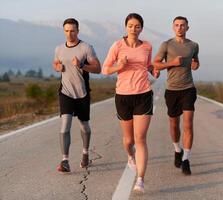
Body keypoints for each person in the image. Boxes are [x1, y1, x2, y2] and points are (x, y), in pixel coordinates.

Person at [102, 13, 159, 193]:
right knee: (129, 140)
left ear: (141, 28)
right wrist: (119, 66)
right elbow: (105, 70)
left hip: (143, 94)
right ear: (125, 27)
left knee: (140, 139)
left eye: (137, 26)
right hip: (123, 96)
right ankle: (129, 155)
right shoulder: (117, 46)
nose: (134, 29)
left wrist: (153, 70)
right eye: (130, 25)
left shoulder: (147, 46)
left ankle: (140, 179)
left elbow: (148, 64)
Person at [52, 18, 101, 173]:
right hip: (65, 92)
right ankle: (65, 160)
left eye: (72, 30)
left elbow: (98, 68)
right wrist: (57, 67)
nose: (69, 33)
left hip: (82, 94)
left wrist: (82, 65)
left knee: (84, 126)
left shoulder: (86, 48)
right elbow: (56, 63)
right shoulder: (59, 48)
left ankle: (85, 153)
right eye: (66, 30)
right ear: (63, 31)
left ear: (78, 31)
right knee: (65, 126)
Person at [153, 16, 200, 175]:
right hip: (172, 90)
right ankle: (177, 149)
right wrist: (171, 63)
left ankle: (186, 159)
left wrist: (196, 65)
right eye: (177, 25)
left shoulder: (194, 45)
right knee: (174, 124)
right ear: (173, 27)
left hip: (188, 88)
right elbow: (156, 64)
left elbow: (196, 62)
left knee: (188, 124)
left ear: (187, 27)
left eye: (182, 25)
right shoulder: (166, 45)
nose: (180, 28)